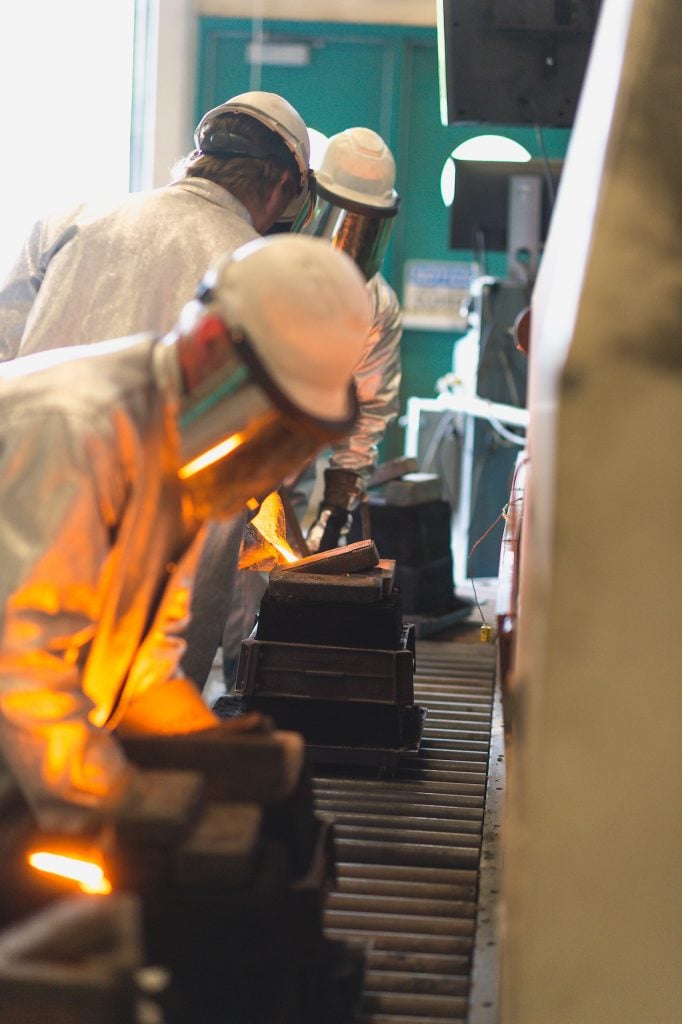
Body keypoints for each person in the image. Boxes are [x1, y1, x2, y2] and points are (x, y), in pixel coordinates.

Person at [0, 234, 371, 832]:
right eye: (266, 422)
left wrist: (210, 743)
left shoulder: (182, 453)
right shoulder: (77, 431)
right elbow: (17, 658)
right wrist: (118, 798)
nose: (267, 462)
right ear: (207, 345)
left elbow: (145, 662)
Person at [183, 126, 404, 692]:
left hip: (286, 474)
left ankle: (248, 690)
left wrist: (342, 486)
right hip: (213, 455)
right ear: (309, 200)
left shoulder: (373, 302)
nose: (347, 241)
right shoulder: (248, 258)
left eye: (364, 226)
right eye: (339, 217)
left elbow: (372, 401)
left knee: (262, 591)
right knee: (193, 586)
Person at [0, 90, 313, 361]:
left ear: (199, 154)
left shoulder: (69, 220)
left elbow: (5, 346)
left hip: (35, 428)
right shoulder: (261, 276)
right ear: (280, 187)